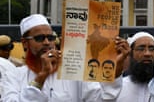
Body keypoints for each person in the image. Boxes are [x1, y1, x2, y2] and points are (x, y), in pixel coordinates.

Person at [2, 14, 130, 101]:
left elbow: (102, 98)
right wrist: (42, 76)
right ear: (25, 43)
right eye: (40, 38)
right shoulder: (14, 75)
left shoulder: (74, 72)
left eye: (50, 38)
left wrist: (116, 68)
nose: (47, 42)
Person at [111, 31, 154, 101]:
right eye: (141, 49)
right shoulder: (118, 87)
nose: (147, 54)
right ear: (131, 53)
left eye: (151, 49)